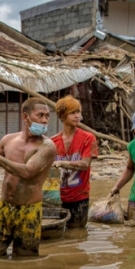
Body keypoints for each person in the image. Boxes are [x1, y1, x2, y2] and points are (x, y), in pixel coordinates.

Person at [0, 98, 57, 257]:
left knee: (25, 261)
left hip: (29, 211)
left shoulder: (48, 146)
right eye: (40, 115)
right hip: (4, 207)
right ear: (25, 117)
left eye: (47, 116)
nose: (45, 120)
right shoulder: (8, 140)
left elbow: (27, 172)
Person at [51, 96, 98, 228]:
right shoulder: (52, 142)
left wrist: (62, 163)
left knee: (78, 233)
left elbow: (85, 164)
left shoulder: (88, 138)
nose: (77, 116)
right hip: (57, 198)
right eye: (73, 113)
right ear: (62, 116)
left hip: (79, 198)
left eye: (78, 112)